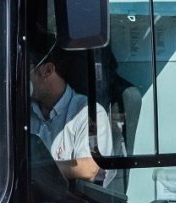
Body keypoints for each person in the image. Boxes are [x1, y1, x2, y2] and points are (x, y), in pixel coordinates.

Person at [29, 48, 114, 183]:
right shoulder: (22, 111)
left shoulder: (89, 113)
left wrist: (33, 169)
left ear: (48, 70)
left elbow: (90, 168)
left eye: (27, 70)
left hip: (73, 201)